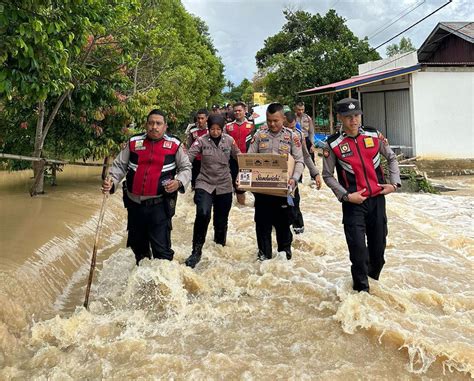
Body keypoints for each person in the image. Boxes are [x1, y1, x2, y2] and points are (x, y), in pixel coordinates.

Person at [322, 98, 401, 292]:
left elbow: (391, 157)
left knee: (378, 254)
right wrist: (346, 196)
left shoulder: (374, 135)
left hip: (377, 201)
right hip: (353, 204)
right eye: (348, 117)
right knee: (357, 253)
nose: (353, 120)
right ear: (339, 117)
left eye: (356, 115)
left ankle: (372, 284)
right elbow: (327, 175)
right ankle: (361, 294)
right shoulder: (332, 144)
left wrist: (394, 184)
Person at [102, 109, 191, 265]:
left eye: (158, 123)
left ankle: (164, 284)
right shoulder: (133, 142)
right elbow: (119, 166)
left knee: (161, 253)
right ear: (145, 125)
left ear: (165, 127)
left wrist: (178, 182)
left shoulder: (175, 145)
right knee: (138, 249)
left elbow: (186, 168)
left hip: (160, 205)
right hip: (134, 205)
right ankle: (141, 284)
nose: (154, 127)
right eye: (151, 123)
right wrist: (111, 181)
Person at [247, 103, 304, 261]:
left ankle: (284, 260)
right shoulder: (259, 135)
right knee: (262, 226)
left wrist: (294, 178)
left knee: (284, 226)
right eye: (269, 120)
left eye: (276, 120)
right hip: (263, 192)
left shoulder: (292, 136)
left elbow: (299, 160)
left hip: (285, 191)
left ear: (283, 118)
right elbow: (249, 159)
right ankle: (264, 258)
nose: (272, 124)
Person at [185, 114, 241, 268]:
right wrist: (181, 172)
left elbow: (240, 157)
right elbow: (189, 157)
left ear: (222, 129)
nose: (215, 132)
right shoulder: (201, 140)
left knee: (221, 220)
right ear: (208, 128)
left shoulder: (229, 141)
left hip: (224, 184)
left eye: (218, 129)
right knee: (202, 213)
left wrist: (245, 175)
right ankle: (196, 251)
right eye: (212, 129)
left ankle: (219, 247)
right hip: (205, 182)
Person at [284, 111, 322, 234]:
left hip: (293, 176)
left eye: (293, 127)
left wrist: (315, 173)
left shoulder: (298, 135)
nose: (291, 131)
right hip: (276, 177)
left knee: (295, 206)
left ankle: (299, 234)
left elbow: (305, 155)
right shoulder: (269, 135)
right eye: (288, 128)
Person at [225, 101, 255, 205]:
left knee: (254, 184)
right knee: (238, 186)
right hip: (233, 160)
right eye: (235, 111)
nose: (237, 113)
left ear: (245, 111)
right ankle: (242, 208)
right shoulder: (228, 127)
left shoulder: (252, 125)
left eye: (240, 110)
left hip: (249, 159)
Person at [185, 109, 209, 190]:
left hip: (208, 160)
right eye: (198, 118)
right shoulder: (192, 128)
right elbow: (188, 145)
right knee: (195, 183)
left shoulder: (212, 129)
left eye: (202, 118)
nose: (200, 120)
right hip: (196, 160)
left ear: (207, 118)